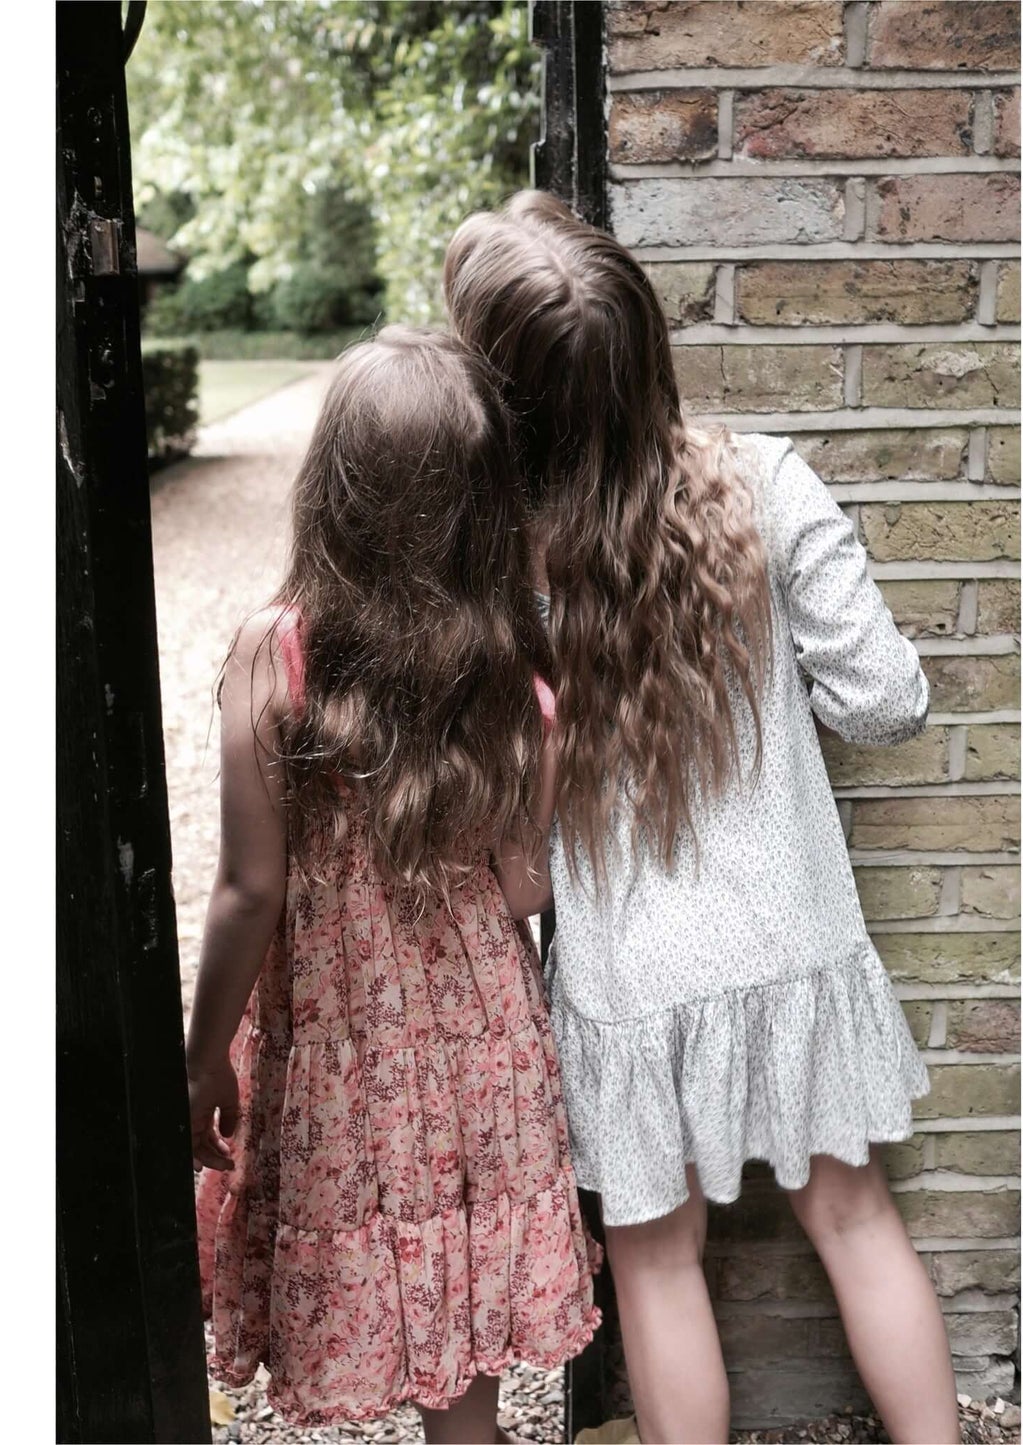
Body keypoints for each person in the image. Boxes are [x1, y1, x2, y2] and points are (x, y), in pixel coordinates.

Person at [443, 193, 960, 1445]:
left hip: (630, 982)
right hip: (792, 942)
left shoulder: (498, 556)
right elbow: (887, 702)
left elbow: (493, 787)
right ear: (646, 345)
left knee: (657, 1262)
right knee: (853, 1217)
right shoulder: (765, 481)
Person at [185, 326, 599, 1443]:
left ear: (332, 488)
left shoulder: (273, 656)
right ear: (482, 506)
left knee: (385, 1261)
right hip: (480, 1053)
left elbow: (244, 888)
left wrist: (199, 1056)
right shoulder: (517, 672)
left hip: (347, 1054)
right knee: (458, 1338)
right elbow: (522, 887)